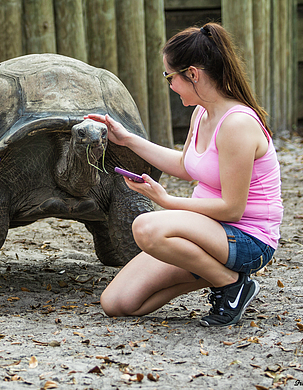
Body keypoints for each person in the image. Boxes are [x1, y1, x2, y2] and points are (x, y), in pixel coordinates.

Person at [86, 22, 283, 327]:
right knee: (118, 304)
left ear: (193, 74)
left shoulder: (236, 124)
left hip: (247, 239)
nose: (170, 85)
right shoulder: (202, 112)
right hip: (207, 234)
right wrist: (126, 139)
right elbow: (185, 164)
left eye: (170, 77)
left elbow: (233, 208)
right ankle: (225, 278)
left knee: (147, 228)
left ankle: (231, 284)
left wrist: (166, 200)